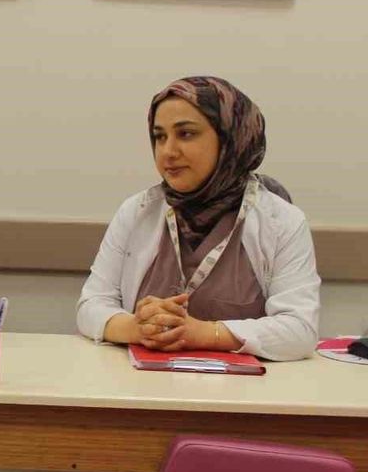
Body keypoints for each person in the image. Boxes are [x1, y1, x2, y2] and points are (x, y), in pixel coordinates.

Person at [77, 76, 320, 362]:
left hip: (247, 388)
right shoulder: (137, 211)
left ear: (229, 139)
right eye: (160, 136)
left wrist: (202, 333)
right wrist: (137, 328)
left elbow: (299, 331)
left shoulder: (282, 221)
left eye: (186, 134)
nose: (168, 152)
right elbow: (91, 305)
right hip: (139, 385)